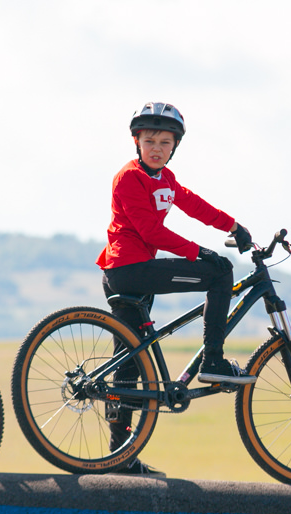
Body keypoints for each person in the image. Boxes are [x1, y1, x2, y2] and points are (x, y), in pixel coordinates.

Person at [96, 102, 255, 475]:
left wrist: (232, 226)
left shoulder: (165, 179)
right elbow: (152, 232)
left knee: (130, 363)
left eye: (165, 142)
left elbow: (192, 204)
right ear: (136, 141)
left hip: (135, 272)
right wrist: (199, 251)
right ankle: (213, 361)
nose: (156, 148)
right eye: (149, 140)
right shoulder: (129, 178)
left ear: (174, 147)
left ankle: (119, 457)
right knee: (219, 274)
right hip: (129, 269)